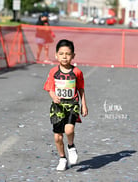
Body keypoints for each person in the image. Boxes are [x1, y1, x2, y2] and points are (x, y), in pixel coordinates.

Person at [43, 39, 88, 171]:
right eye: (61, 53)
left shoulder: (77, 72)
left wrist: (83, 105)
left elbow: (81, 89)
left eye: (67, 54)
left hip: (72, 104)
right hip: (58, 107)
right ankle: (62, 158)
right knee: (57, 136)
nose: (64, 57)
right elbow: (50, 87)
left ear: (73, 56)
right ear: (56, 55)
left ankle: (71, 146)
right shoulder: (53, 72)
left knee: (69, 130)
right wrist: (53, 96)